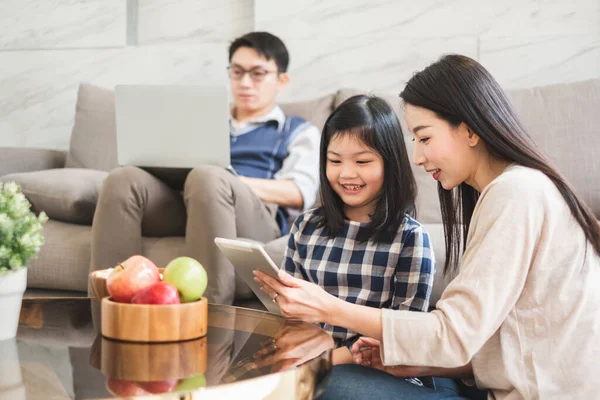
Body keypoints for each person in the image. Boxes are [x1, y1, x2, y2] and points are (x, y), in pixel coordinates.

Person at [254, 54, 600, 399]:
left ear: (469, 130)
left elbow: (453, 334)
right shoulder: (516, 189)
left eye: (424, 138)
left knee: (328, 384)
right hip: (499, 382)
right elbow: (494, 339)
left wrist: (329, 308)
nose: (417, 157)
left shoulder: (516, 192)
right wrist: (418, 363)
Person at [91, 32, 320, 305]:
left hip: (254, 215)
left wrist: (229, 180)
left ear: (282, 80)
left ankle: (212, 313)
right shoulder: (203, 119)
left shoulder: (297, 131)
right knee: (123, 179)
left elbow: (298, 192)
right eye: (237, 72)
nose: (245, 82)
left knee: (208, 176)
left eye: (258, 73)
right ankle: (108, 304)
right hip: (192, 199)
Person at [272, 95, 435, 369]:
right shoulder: (306, 227)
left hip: (376, 368)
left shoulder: (410, 238)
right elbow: (293, 317)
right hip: (309, 358)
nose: (346, 174)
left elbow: (405, 334)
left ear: (390, 163)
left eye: (362, 162)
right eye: (335, 161)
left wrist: (324, 362)